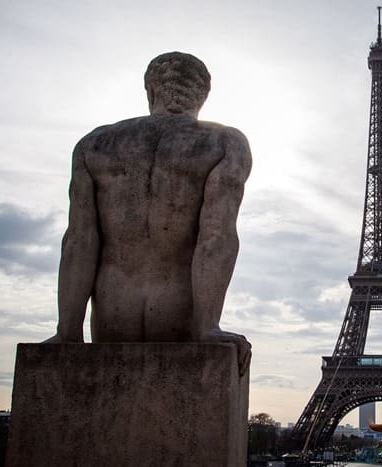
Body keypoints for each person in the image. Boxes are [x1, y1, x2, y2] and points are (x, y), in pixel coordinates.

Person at [48, 52, 251, 356]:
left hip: (112, 312)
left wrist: (68, 331)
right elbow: (217, 237)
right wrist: (208, 327)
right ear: (202, 97)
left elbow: (79, 241)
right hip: (179, 314)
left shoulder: (93, 144)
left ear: (150, 89)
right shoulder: (224, 144)